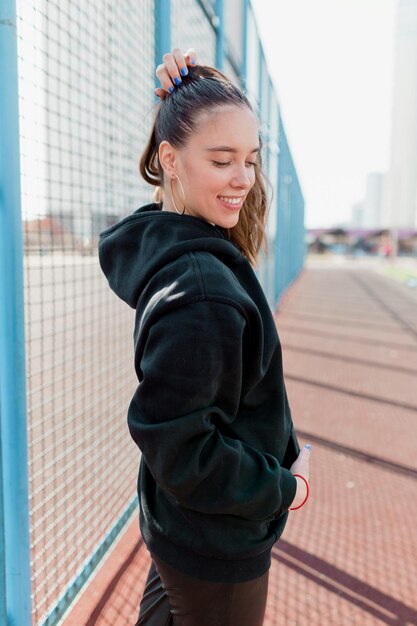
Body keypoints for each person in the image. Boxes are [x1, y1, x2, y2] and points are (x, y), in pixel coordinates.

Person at [98, 48, 312, 626]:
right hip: (216, 540)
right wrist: (284, 490)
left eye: (251, 158)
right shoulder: (202, 292)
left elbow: (180, 438)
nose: (243, 179)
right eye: (222, 161)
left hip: (184, 527)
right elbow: (186, 450)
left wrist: (198, 87)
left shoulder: (173, 247)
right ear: (170, 159)